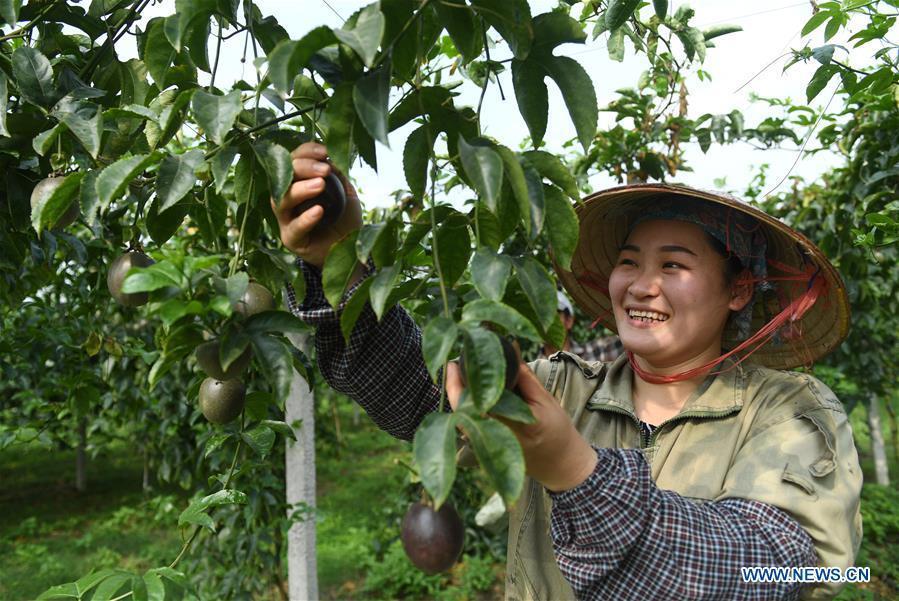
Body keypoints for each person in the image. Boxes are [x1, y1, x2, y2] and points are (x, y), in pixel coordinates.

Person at [273, 142, 862, 600]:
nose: (642, 284)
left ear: (738, 290)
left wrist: (576, 472)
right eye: (629, 262)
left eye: (674, 265)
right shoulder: (561, 387)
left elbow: (771, 568)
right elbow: (415, 399)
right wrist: (339, 266)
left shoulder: (791, 412)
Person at [538, 290, 623, 361]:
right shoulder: (531, 372)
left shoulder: (597, 353)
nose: (543, 321)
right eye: (537, 314)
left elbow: (626, 343)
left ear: (569, 321)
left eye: (552, 314)